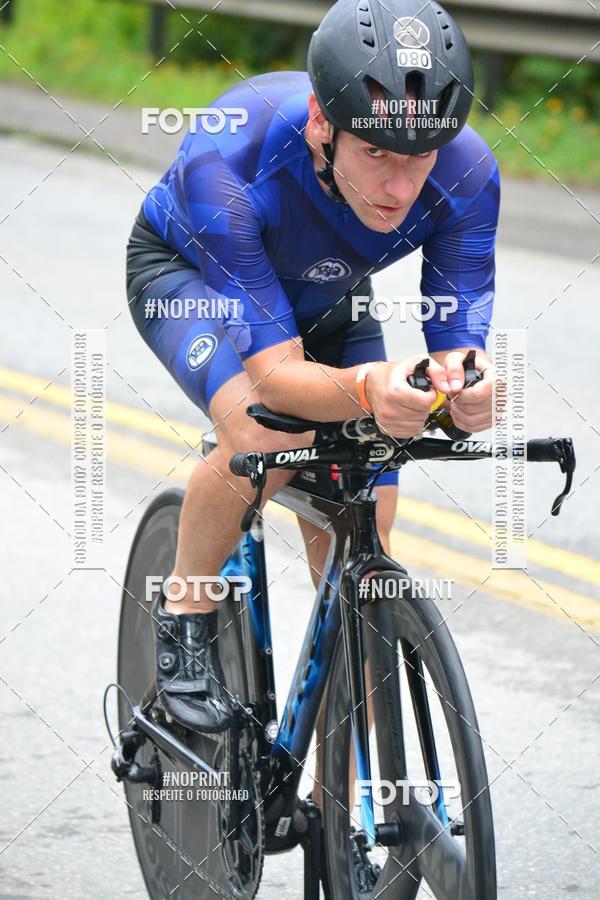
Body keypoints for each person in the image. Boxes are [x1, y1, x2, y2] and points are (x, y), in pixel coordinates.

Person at [125, 0, 499, 803]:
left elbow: (458, 341)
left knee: (366, 538)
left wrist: (462, 388)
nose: (400, 185)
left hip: (330, 295)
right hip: (189, 277)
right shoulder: (233, 156)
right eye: (376, 154)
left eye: (421, 155)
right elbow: (274, 379)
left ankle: (337, 803)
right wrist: (368, 388)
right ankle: (186, 616)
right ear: (319, 122)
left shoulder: (466, 170)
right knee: (265, 435)